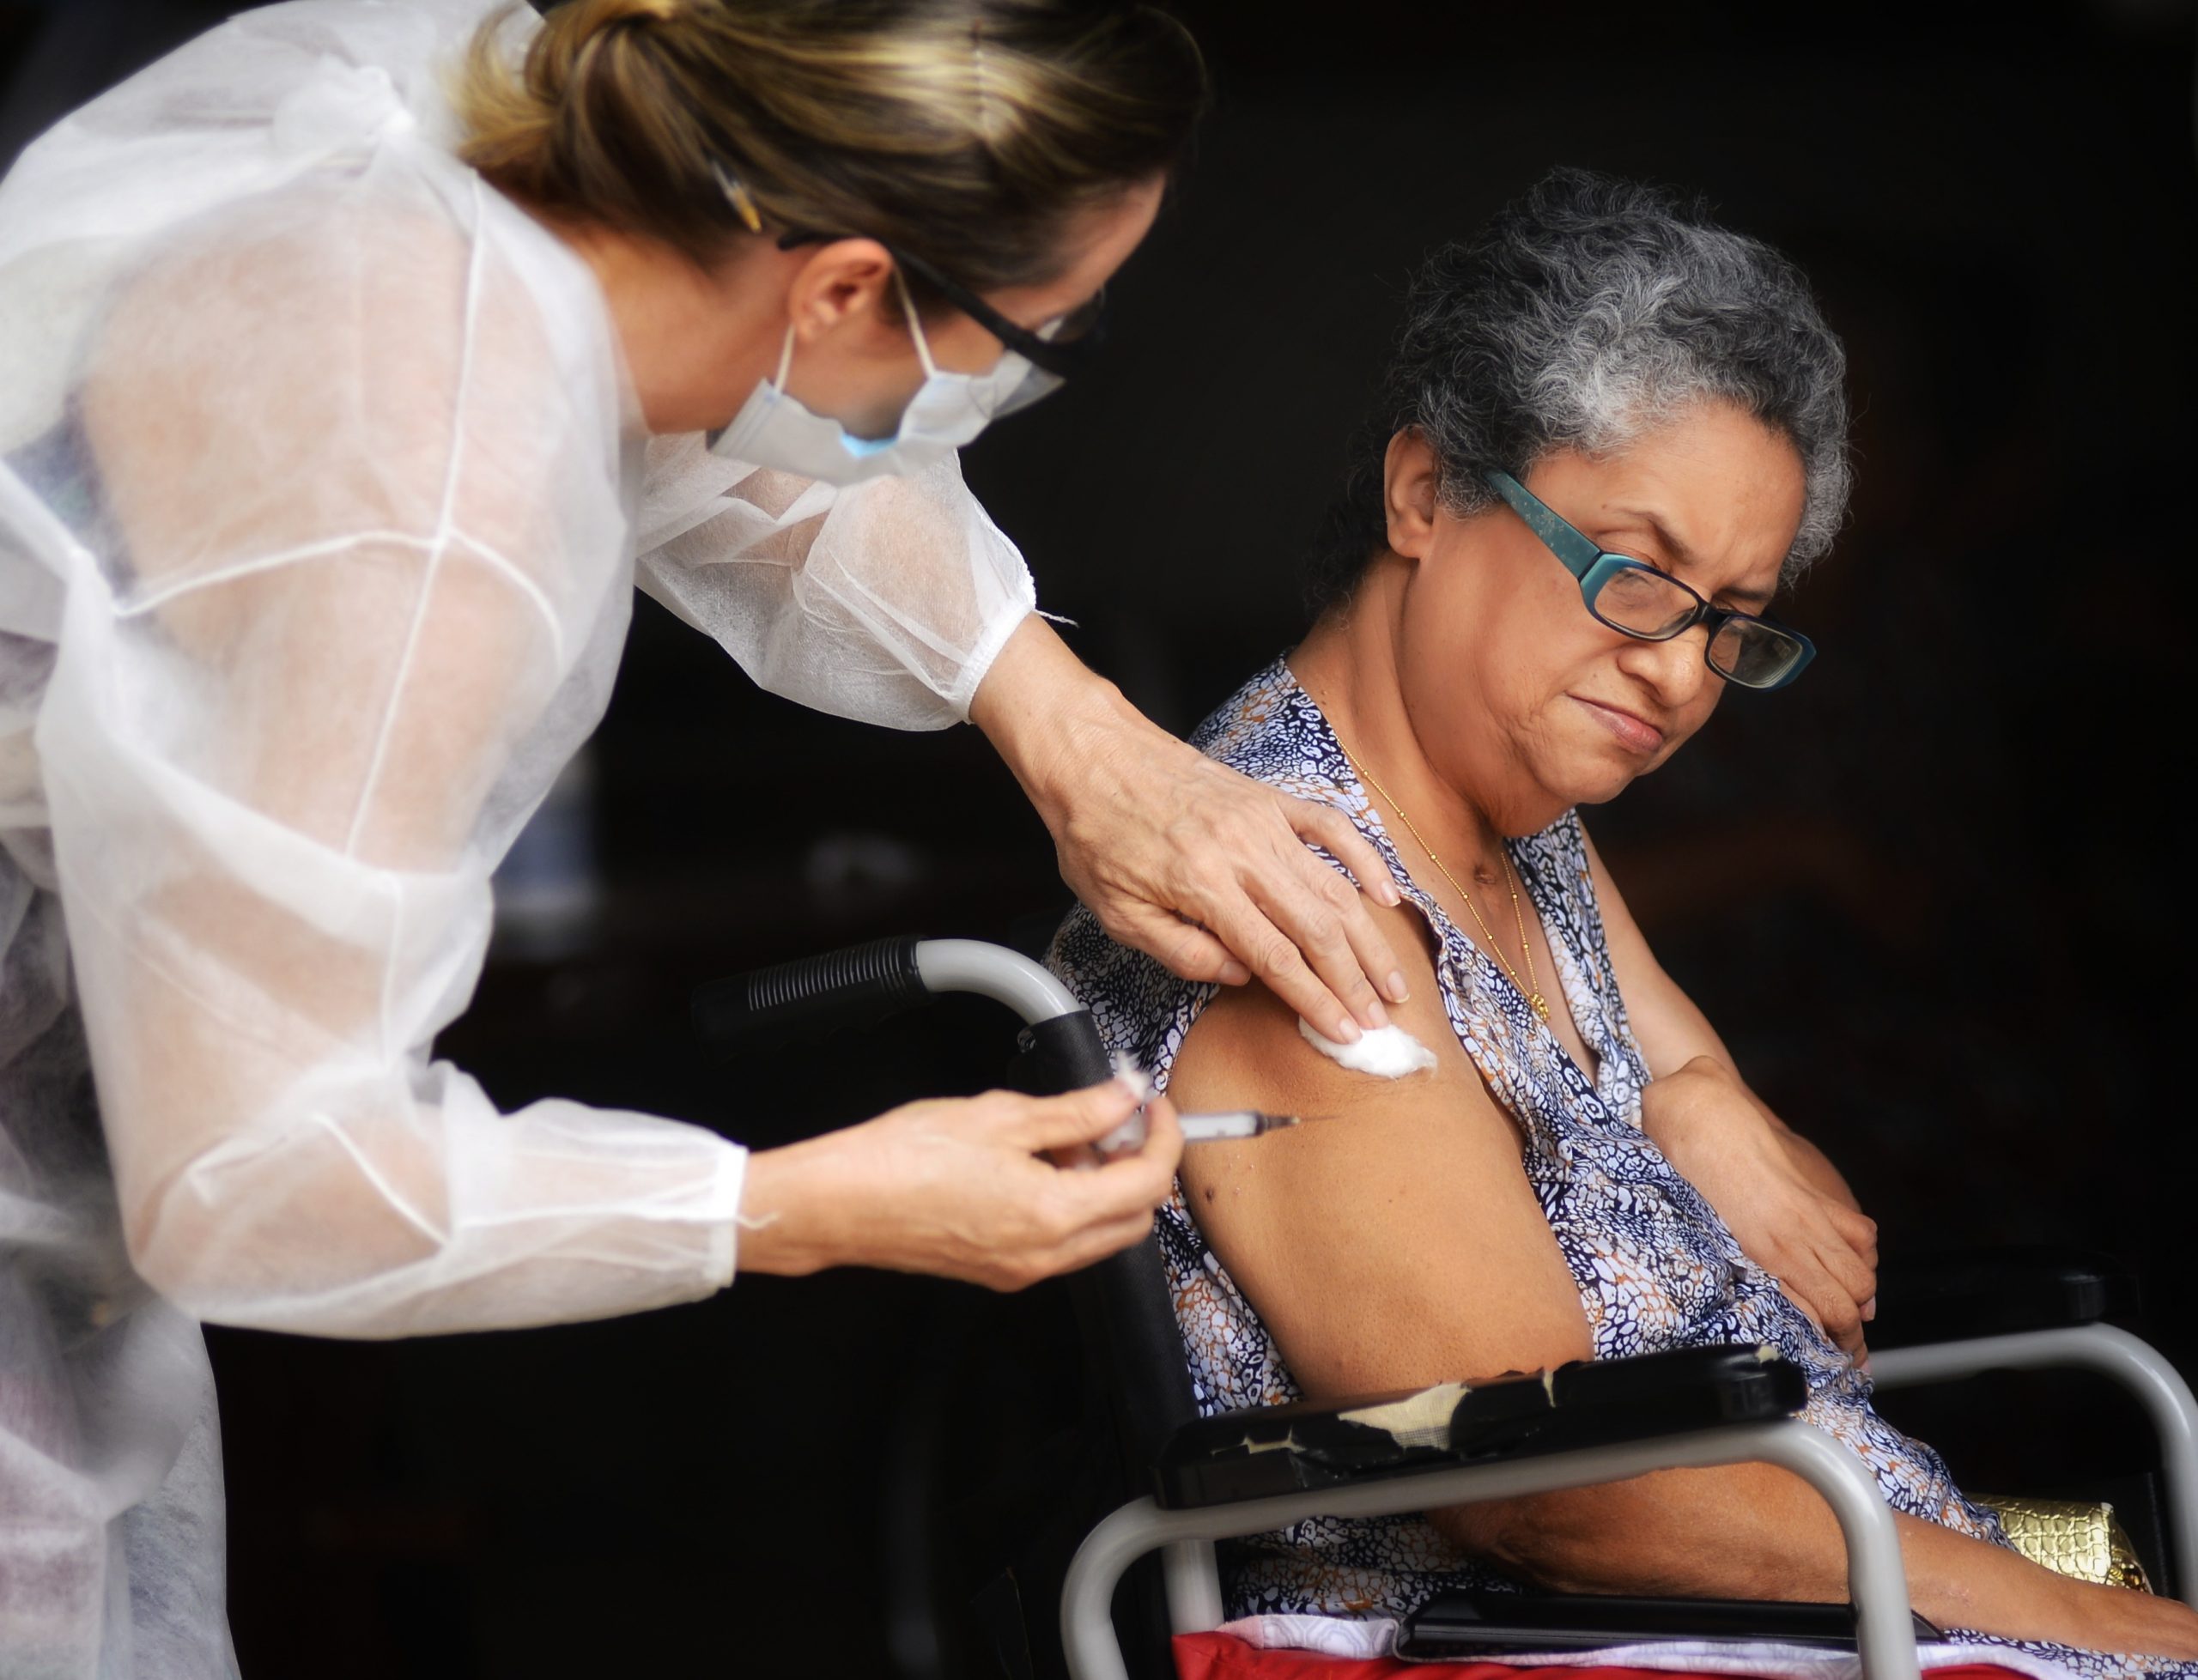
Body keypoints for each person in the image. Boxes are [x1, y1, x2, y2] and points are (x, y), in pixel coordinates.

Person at [0, 0, 1418, 1670]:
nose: (1028, 379)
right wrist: (809, 1203)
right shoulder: (430, 506)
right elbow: (259, 1179)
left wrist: (1075, 733)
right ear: (842, 285)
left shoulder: (538, 156)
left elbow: (737, 436)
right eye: (1043, 334)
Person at [1052, 169, 2198, 1673]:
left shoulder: (1514, 820)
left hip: (1811, 1581)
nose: (1676, 669)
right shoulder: (1299, 906)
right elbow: (1558, 1498)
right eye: (1636, 576)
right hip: (1606, 1633)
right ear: (1425, 493)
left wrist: (1695, 1096)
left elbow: (1798, 1230)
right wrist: (2121, 1622)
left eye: (1731, 620)